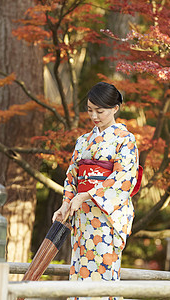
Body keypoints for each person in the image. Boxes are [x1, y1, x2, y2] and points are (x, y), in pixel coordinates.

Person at [52, 82, 141, 300]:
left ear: (115, 109)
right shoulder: (83, 141)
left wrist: (87, 195)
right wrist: (66, 203)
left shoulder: (125, 139)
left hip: (106, 217)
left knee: (103, 271)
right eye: (90, 110)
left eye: (100, 111)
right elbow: (73, 175)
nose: (94, 116)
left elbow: (124, 179)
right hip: (82, 216)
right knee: (80, 270)